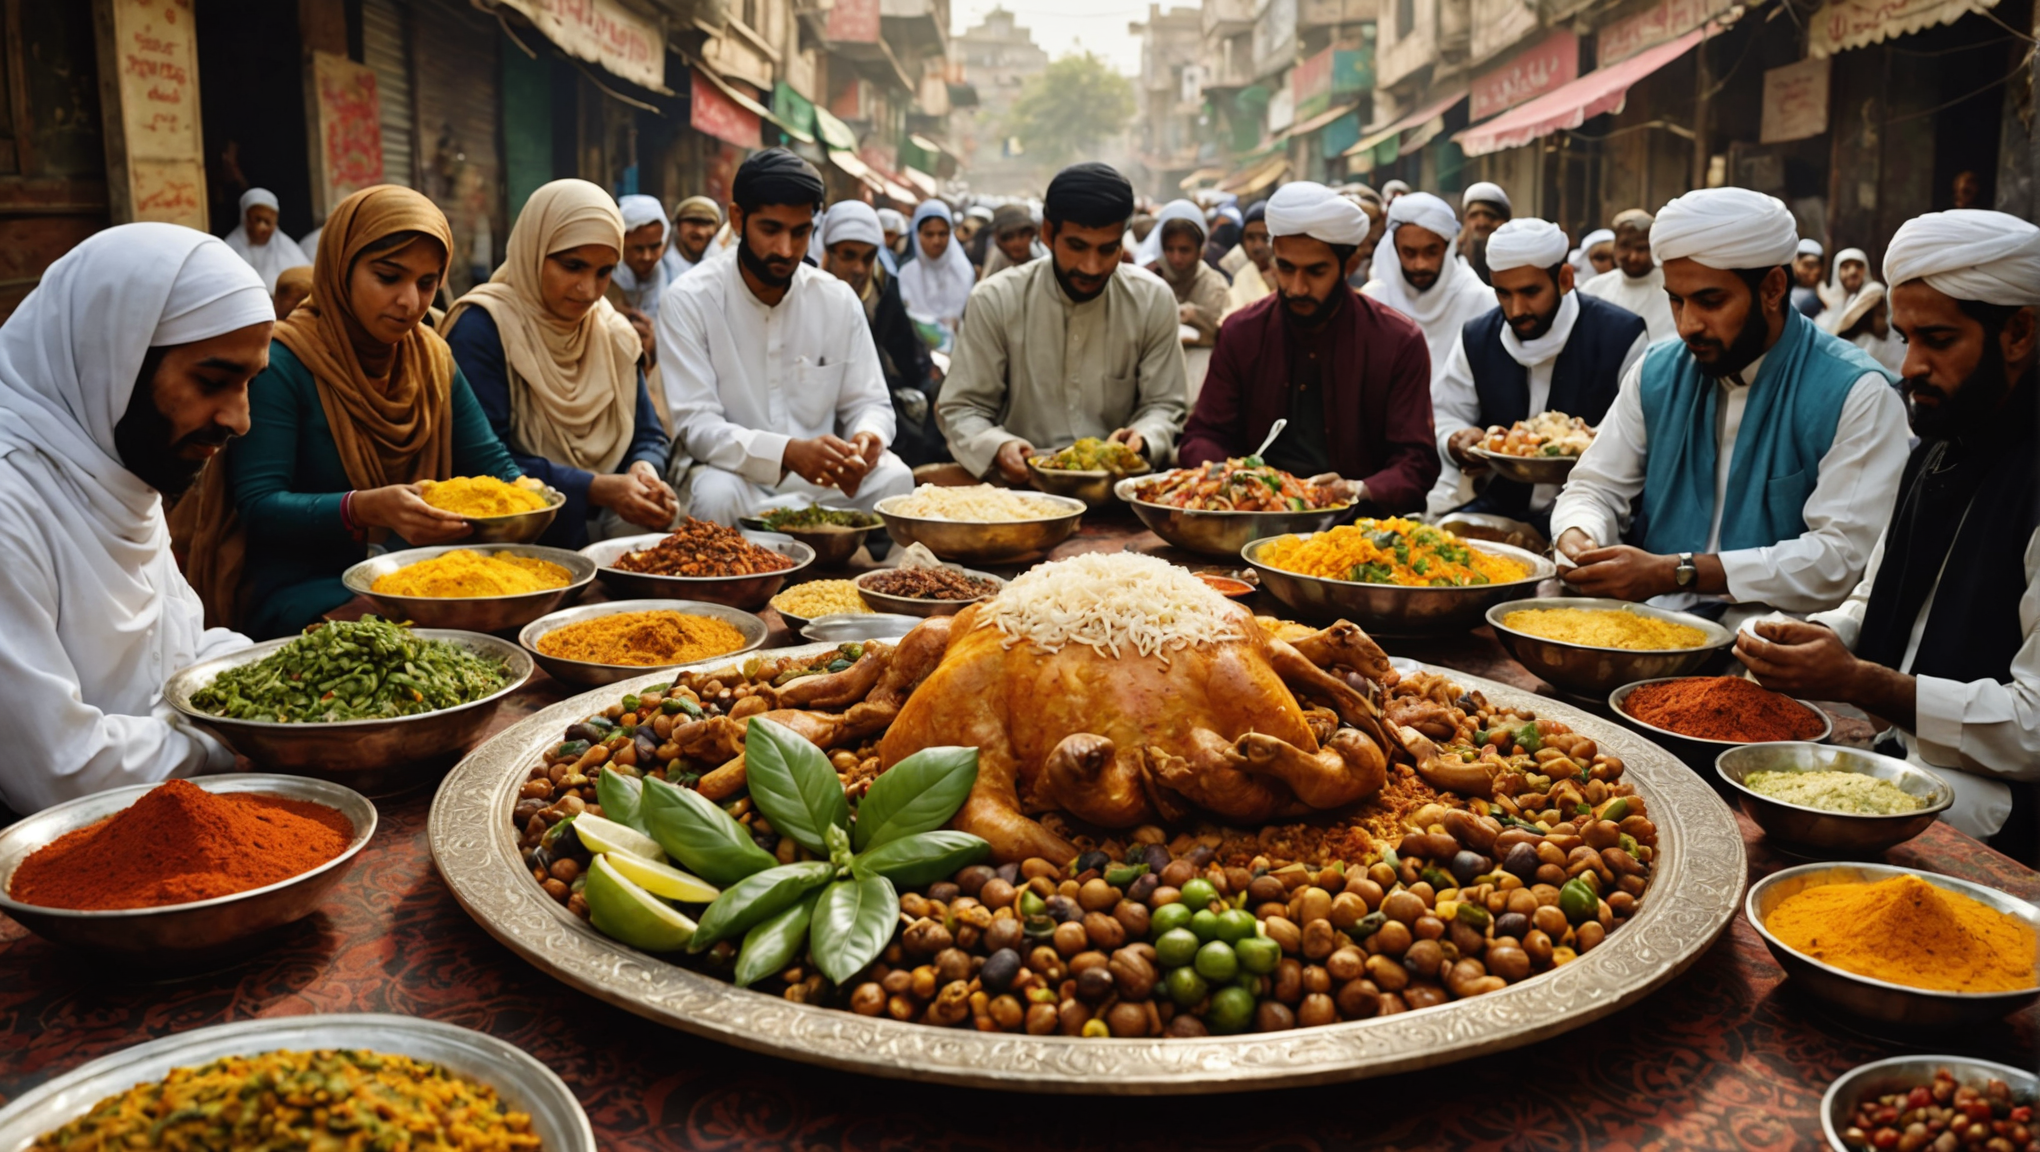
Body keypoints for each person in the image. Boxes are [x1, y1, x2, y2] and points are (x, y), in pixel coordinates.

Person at [1733, 208, 2040, 850]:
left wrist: (1864, 683)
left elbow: (2034, 728)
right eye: (1905, 339)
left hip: (2008, 814)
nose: (1910, 367)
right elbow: (1878, 597)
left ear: (2020, 332)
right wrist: (1813, 638)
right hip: (1901, 756)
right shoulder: (1938, 444)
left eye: (1938, 340)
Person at [0, 224, 271, 813]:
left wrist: (288, 686)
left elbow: (179, 653)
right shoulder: (10, 504)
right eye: (212, 381)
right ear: (112, 360)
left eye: (249, 384)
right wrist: (225, 740)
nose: (239, 418)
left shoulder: (111, 467)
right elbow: (60, 768)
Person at [185, 186, 529, 639]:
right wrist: (363, 508)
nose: (411, 303)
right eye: (389, 277)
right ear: (340, 269)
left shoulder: (431, 358)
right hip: (305, 587)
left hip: (417, 580)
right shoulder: (284, 363)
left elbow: (492, 465)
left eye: (427, 283)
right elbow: (258, 506)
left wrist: (529, 494)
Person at [1549, 187, 1910, 617]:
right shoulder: (1657, 370)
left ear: (1773, 288)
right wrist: (1578, 533)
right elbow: (1595, 485)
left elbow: (1839, 560)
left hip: (1776, 649)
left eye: (1710, 300)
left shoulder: (1858, 392)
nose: (1687, 325)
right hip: (1652, 627)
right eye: (1676, 300)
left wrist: (1678, 572)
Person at [657, 150, 911, 525]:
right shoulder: (689, 299)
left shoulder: (837, 299)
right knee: (715, 497)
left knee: (896, 478)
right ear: (738, 219)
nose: (786, 250)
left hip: (823, 481)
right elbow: (697, 427)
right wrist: (786, 453)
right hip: (737, 475)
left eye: (800, 232)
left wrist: (866, 438)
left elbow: (870, 401)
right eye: (771, 229)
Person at [443, 179, 675, 551]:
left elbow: (649, 434)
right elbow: (481, 460)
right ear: (534, 250)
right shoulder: (484, 328)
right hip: (514, 540)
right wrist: (595, 489)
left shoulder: (612, 331)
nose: (589, 290)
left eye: (604, 272)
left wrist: (644, 470)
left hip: (610, 530)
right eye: (573, 266)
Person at [1180, 181, 1438, 513]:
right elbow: (1203, 434)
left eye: (1315, 271)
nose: (1297, 287)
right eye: (1286, 268)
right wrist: (1236, 480)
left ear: (1349, 266)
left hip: (1358, 527)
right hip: (1249, 517)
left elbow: (1416, 463)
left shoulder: (1397, 341)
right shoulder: (1241, 332)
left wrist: (1358, 489)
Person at [938, 161, 1187, 484]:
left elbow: (1164, 404)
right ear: (1047, 233)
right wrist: (999, 447)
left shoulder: (1153, 300)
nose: (1091, 266)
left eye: (1107, 249)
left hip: (1120, 489)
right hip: (1022, 494)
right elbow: (962, 407)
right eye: (1077, 246)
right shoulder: (995, 300)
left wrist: (1144, 436)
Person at [1428, 217, 1649, 524]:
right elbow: (1447, 411)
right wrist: (1456, 439)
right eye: (1503, 293)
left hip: (1592, 514)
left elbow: (1638, 440)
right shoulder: (1478, 336)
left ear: (1565, 279)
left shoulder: (1621, 336)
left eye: (1530, 292)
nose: (1516, 310)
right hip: (1497, 505)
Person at [818, 199, 944, 467]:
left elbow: (903, 349)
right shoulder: (804, 291)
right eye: (848, 256)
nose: (859, 269)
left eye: (868, 258)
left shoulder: (883, 286)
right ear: (827, 252)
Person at [1362, 192, 1494, 379]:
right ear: (1395, 251)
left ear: (1447, 248)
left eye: (1431, 252)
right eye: (1409, 253)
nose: (1420, 264)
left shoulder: (1480, 299)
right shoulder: (1373, 302)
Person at [1580, 209, 1676, 343]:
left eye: (1641, 248)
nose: (1633, 257)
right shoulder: (1593, 289)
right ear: (1614, 247)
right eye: (1625, 246)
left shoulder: (1673, 290)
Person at [1818, 247, 1906, 374]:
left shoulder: (1875, 295)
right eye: (1846, 267)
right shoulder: (1827, 309)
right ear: (1837, 271)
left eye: (1859, 266)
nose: (1853, 272)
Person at [898, 200, 973, 345]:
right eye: (929, 234)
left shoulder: (964, 273)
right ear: (917, 234)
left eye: (943, 234)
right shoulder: (905, 275)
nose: (936, 241)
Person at [611, 193, 671, 360]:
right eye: (638, 249)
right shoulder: (603, 282)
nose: (647, 257)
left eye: (654, 247)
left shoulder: (674, 278)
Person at [223, 188, 311, 293]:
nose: (262, 228)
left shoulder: (287, 249)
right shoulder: (228, 248)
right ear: (245, 219)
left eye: (268, 222)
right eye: (257, 220)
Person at [1222, 201, 1274, 319]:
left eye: (1265, 238)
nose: (1257, 246)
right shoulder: (1241, 276)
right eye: (1250, 238)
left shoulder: (1289, 277)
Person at [1460, 181, 1511, 284]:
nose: (1481, 224)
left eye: (1490, 216)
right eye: (1474, 216)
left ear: (1505, 222)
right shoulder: (1452, 261)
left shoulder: (1517, 261)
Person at [662, 196, 722, 283]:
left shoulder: (721, 264)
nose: (699, 231)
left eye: (706, 223)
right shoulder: (661, 263)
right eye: (692, 222)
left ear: (716, 229)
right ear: (678, 225)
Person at [980, 204, 1044, 280]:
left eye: (1022, 235)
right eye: (1009, 237)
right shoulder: (998, 256)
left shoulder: (1041, 256)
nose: (1017, 243)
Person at [1791, 238, 1826, 319]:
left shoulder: (1825, 295)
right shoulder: (1784, 292)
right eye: (1807, 265)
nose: (1816, 272)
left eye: (1813, 266)